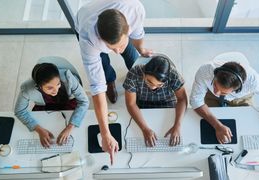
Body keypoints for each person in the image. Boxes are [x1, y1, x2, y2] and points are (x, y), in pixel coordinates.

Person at [75, 0, 152, 164]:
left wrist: (141, 49)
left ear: (127, 30)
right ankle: (110, 81)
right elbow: (97, 90)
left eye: (120, 45)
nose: (117, 52)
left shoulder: (135, 10)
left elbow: (138, 35)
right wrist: (105, 134)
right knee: (103, 65)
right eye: (112, 47)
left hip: (122, 20)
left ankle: (137, 82)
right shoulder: (88, 39)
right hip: (84, 18)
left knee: (133, 57)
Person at [190, 52, 259, 145]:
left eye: (223, 92)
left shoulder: (253, 81)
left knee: (245, 127)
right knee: (208, 123)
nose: (217, 92)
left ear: (237, 89)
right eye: (215, 85)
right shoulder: (205, 70)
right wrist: (217, 125)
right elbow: (195, 101)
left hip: (242, 98)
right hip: (210, 95)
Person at [14, 63, 89, 148]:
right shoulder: (27, 88)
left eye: (58, 84)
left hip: (68, 102)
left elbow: (84, 101)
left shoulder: (68, 77)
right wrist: (38, 129)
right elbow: (19, 111)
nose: (55, 90)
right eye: (50, 88)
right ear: (39, 86)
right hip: (45, 105)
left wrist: (70, 126)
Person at [123, 55, 187, 147]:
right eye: (149, 81)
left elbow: (182, 99)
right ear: (144, 73)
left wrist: (177, 125)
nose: (153, 87)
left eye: (159, 85)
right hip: (142, 103)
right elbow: (131, 103)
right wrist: (145, 129)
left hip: (167, 102)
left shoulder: (173, 74)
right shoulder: (134, 73)